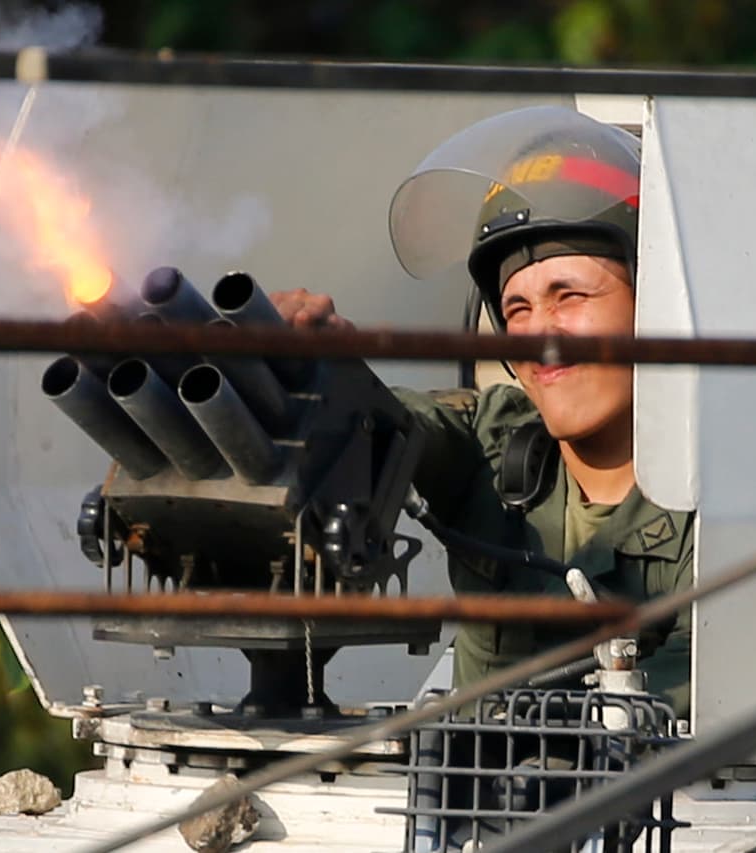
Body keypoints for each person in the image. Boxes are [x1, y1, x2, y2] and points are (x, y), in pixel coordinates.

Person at [272, 106, 692, 718]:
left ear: (652, 308)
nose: (540, 336)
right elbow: (391, 425)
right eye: (517, 309)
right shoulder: (491, 440)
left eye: (570, 296)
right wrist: (312, 371)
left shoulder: (716, 507)